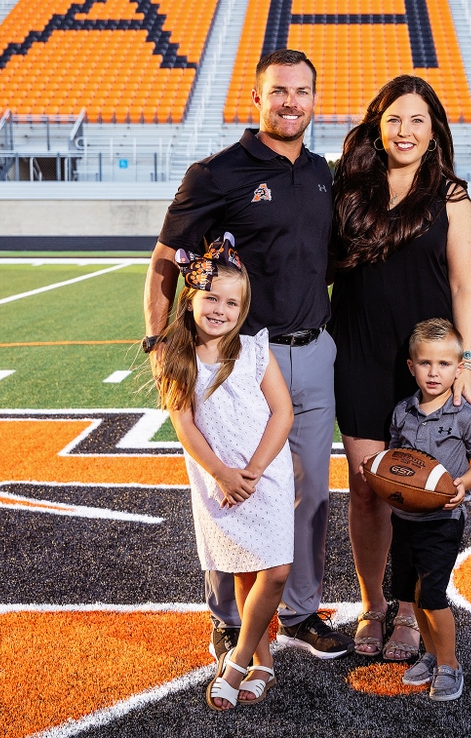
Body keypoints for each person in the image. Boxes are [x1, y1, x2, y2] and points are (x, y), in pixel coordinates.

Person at [143, 49, 353, 663]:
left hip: (312, 352)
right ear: (255, 99)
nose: (291, 101)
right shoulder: (216, 173)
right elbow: (164, 260)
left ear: (315, 100)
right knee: (227, 489)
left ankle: (301, 611)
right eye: (279, 91)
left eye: (303, 91)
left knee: (311, 490)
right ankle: (227, 617)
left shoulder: (321, 172)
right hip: (239, 362)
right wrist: (161, 347)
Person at [329, 75, 471, 661]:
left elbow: (465, 285)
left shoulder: (451, 196)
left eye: (418, 120)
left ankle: (413, 614)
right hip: (359, 353)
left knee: (419, 493)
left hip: (426, 366)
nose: (405, 131)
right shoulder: (350, 190)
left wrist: (464, 360)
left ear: (434, 129)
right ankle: (373, 605)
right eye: (395, 118)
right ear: (378, 124)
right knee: (368, 490)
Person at [157, 235, 292, 710]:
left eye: (231, 302)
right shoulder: (176, 357)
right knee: (242, 570)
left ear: (243, 308)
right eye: (211, 298)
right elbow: (185, 426)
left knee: (275, 571)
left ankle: (235, 663)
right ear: (191, 299)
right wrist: (221, 473)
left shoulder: (255, 350)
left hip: (265, 473)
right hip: (218, 481)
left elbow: (283, 413)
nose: (220, 309)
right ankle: (264, 663)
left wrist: (253, 471)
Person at [374, 317, 471, 701]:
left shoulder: (464, 414)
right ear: (412, 366)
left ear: (459, 368)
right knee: (412, 590)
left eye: (444, 364)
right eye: (425, 363)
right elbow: (395, 462)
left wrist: (463, 485)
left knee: (433, 595)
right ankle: (430, 652)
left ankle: (450, 664)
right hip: (404, 520)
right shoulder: (402, 412)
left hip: (442, 520)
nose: (434, 372)